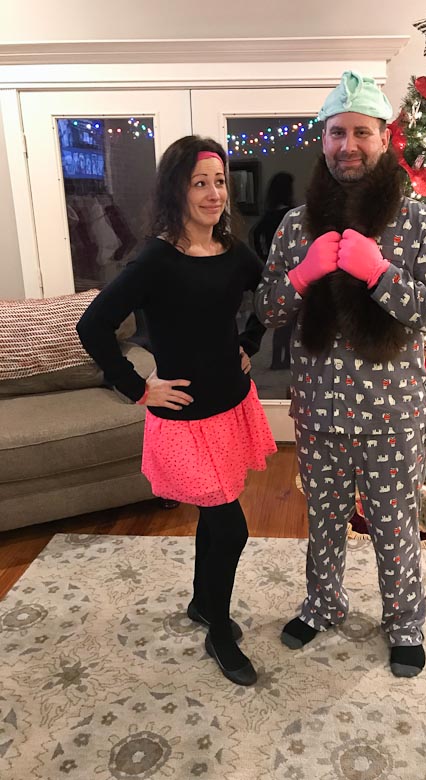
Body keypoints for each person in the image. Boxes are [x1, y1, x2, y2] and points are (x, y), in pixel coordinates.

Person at [255, 71, 426, 678]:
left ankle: (403, 622)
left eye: (361, 133)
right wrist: (302, 275)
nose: (348, 145)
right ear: (324, 140)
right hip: (318, 411)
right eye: (337, 133)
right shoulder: (296, 226)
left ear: (385, 138)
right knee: (322, 520)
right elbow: (267, 311)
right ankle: (323, 605)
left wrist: (381, 275)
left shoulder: (419, 223)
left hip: (391, 414)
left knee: (394, 526)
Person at [77, 135, 277, 687]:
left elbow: (270, 297)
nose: (214, 194)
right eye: (199, 183)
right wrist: (137, 388)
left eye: (219, 182)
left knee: (216, 514)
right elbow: (93, 326)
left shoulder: (233, 251)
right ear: (176, 190)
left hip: (232, 405)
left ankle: (201, 603)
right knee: (230, 528)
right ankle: (218, 631)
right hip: (187, 418)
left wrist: (249, 341)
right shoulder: (156, 258)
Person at [251, 172, 296, 370]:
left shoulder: (269, 216)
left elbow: (255, 234)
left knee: (281, 319)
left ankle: (278, 359)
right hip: (290, 270)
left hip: (276, 268)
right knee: (288, 320)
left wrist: (263, 256)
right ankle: (283, 359)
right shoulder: (291, 216)